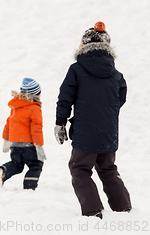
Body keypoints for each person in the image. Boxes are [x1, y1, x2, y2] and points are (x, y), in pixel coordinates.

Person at [55, 22, 131, 219]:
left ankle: (93, 211)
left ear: (83, 45)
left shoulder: (76, 69)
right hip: (108, 131)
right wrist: (105, 113)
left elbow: (65, 98)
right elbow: (120, 99)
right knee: (108, 168)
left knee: (80, 168)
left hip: (85, 131)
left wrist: (60, 122)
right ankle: (124, 208)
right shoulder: (116, 75)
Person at [0, 78, 46, 190]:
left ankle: (4, 171)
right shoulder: (35, 108)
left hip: (15, 144)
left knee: (16, 165)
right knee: (36, 165)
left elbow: (8, 123)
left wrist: (6, 140)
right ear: (36, 95)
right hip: (29, 145)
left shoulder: (16, 107)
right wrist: (39, 146)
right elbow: (36, 128)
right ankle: (29, 188)